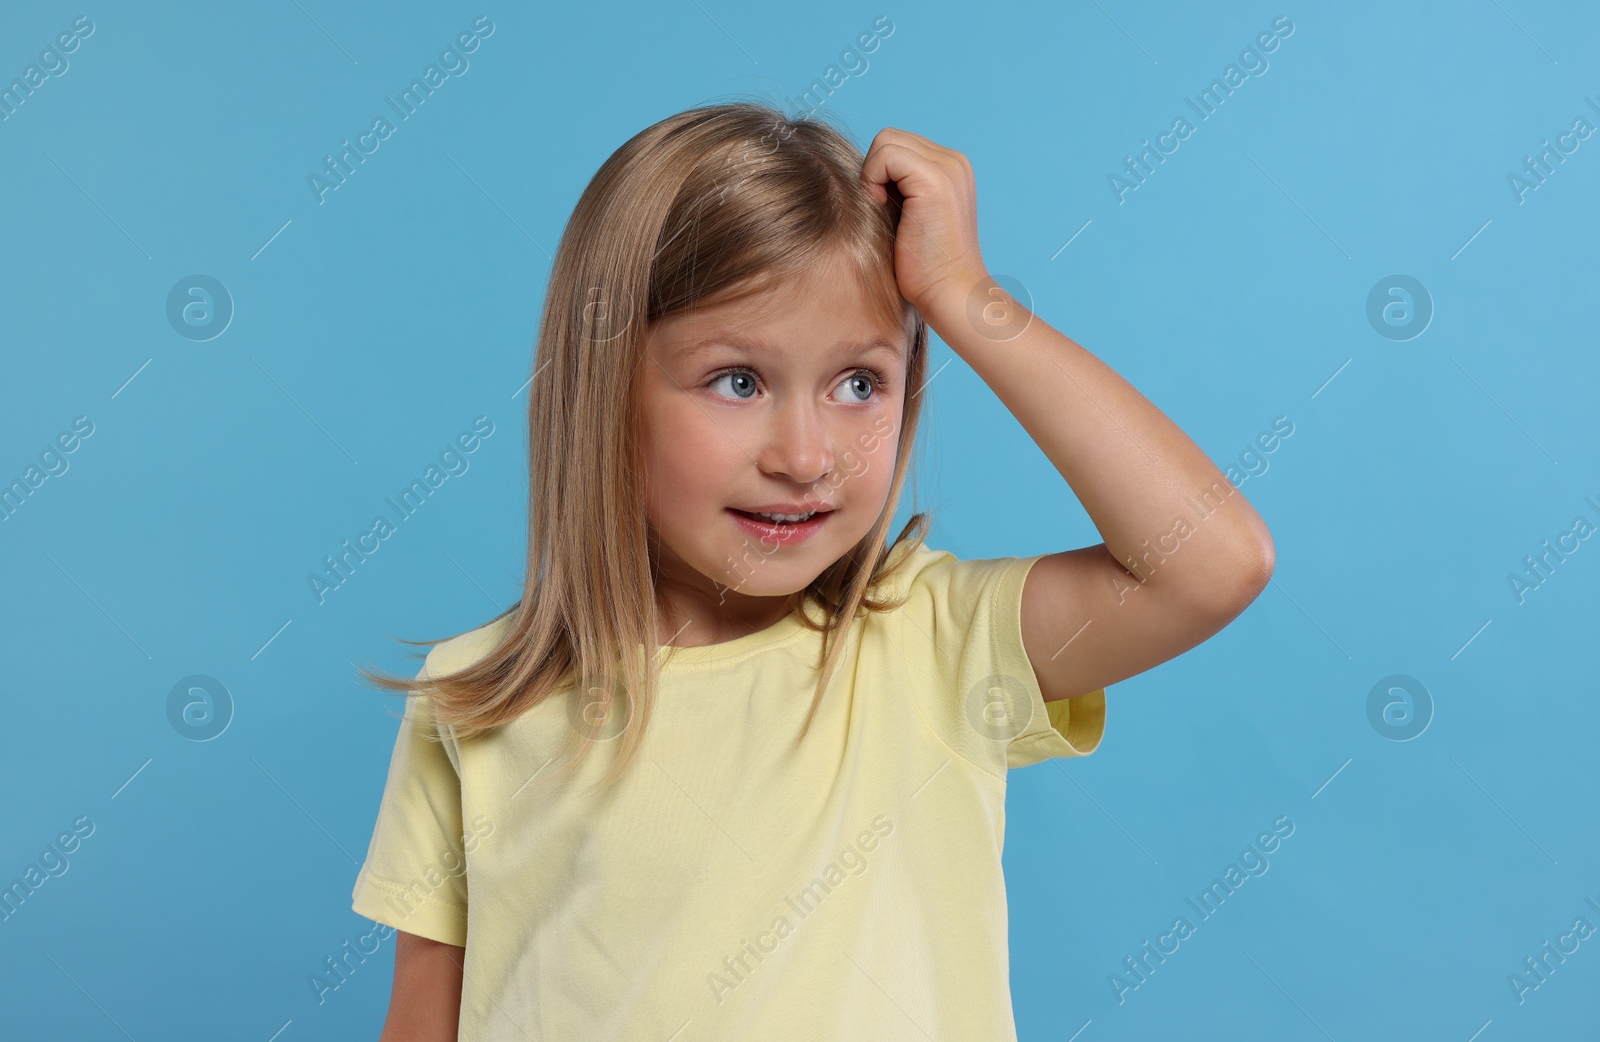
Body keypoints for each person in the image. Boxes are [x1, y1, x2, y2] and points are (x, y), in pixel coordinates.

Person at [350, 100, 1274, 1040]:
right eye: (738, 380)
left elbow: (1211, 560)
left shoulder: (934, 643)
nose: (804, 454)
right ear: (604, 392)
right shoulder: (475, 699)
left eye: (858, 383)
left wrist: (965, 295)